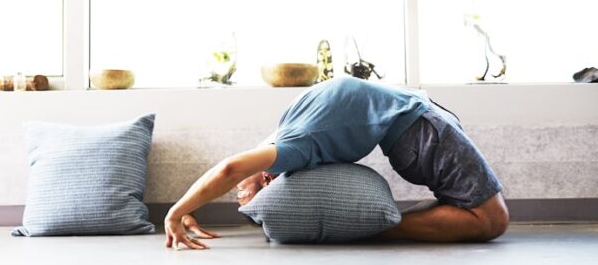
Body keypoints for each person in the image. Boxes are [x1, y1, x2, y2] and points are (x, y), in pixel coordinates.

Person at [164, 77, 508, 250]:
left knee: (491, 220)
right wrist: (191, 205)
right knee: (490, 218)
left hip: (421, 127)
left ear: (267, 179)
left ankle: (381, 229)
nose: (238, 195)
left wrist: (177, 211)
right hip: (419, 126)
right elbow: (232, 170)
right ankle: (382, 228)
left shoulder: (292, 143)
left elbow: (228, 169)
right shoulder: (290, 128)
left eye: (241, 194)